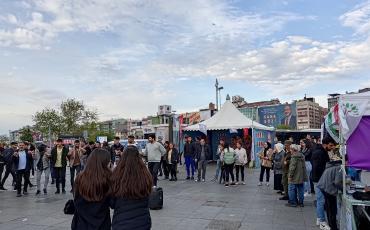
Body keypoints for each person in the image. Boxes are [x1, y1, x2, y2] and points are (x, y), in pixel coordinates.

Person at [111, 146, 152, 230]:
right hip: (143, 221)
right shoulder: (145, 174)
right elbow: (148, 196)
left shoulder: (116, 174)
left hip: (121, 221)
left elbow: (112, 202)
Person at [71, 149, 112, 230]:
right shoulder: (109, 178)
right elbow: (112, 202)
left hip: (81, 222)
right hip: (102, 222)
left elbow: (76, 198)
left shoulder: (80, 177)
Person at [311, 136, 336, 230]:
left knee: (320, 200)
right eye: (331, 145)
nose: (332, 147)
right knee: (321, 200)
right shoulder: (320, 152)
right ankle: (322, 221)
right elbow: (317, 168)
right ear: (325, 144)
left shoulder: (321, 151)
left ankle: (319, 218)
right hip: (319, 180)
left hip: (318, 179)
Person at [317, 160, 342, 230]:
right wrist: (343, 188)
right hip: (329, 189)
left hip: (324, 187)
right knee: (332, 209)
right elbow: (337, 182)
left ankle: (331, 224)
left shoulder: (332, 166)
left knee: (329, 208)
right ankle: (333, 227)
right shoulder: (339, 168)